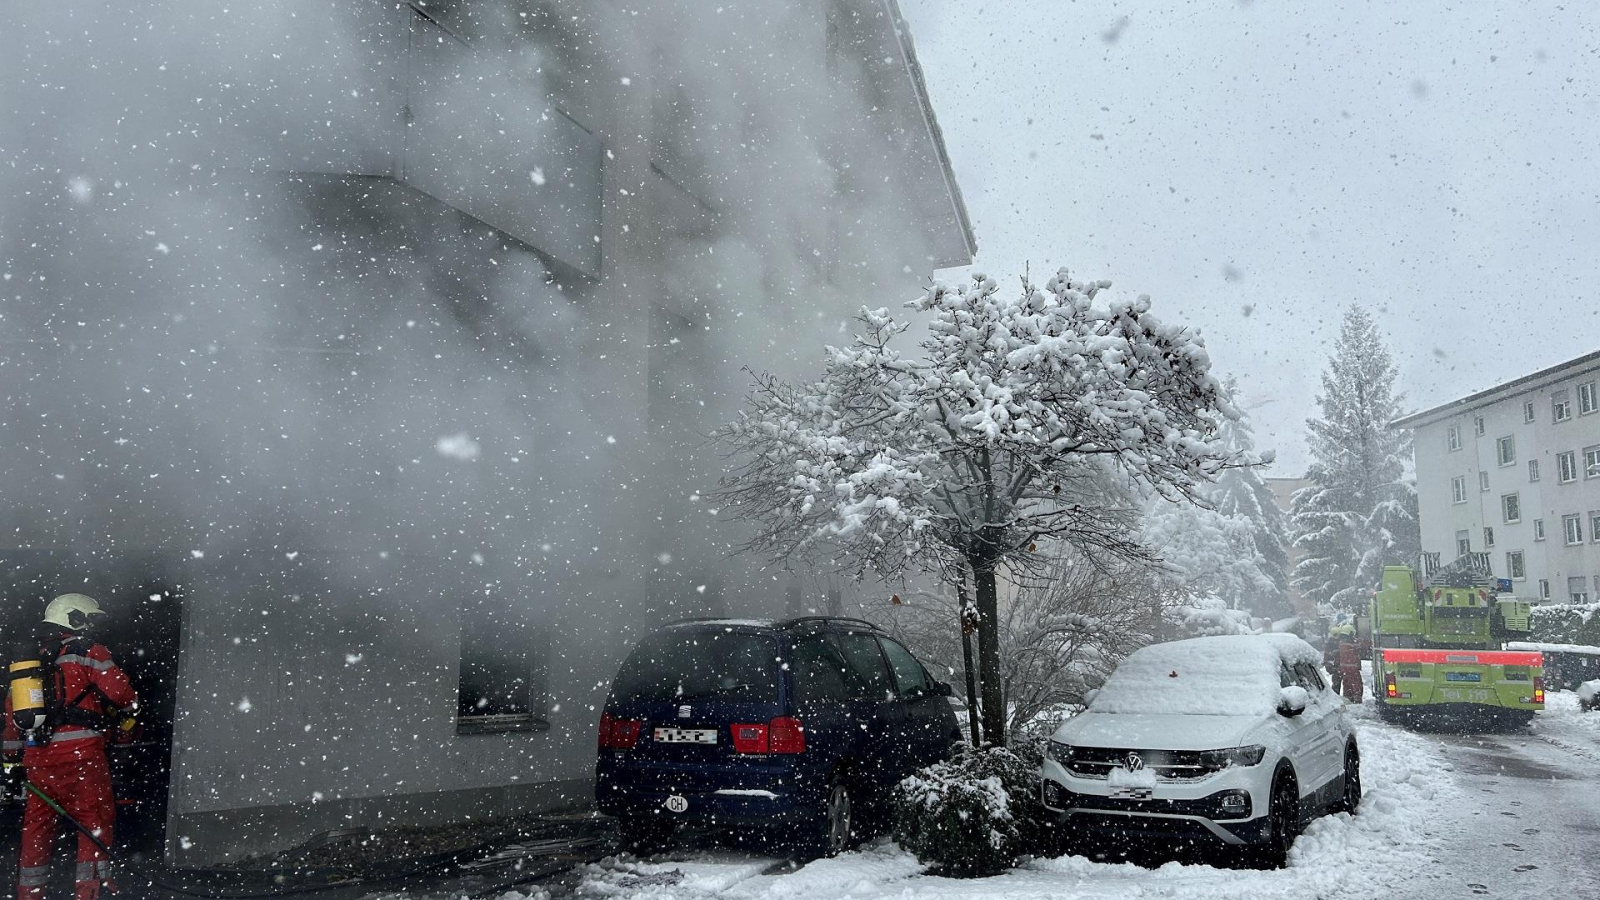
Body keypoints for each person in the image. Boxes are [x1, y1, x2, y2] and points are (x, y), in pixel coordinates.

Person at [3, 594, 138, 900]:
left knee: (36, 830)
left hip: (38, 761)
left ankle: (30, 893)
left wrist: (11, 764)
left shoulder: (29, 663)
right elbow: (122, 694)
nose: (92, 626)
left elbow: (12, 720)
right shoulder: (88, 651)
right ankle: (90, 891)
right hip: (83, 758)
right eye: (88, 619)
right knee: (95, 822)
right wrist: (132, 710)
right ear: (74, 618)